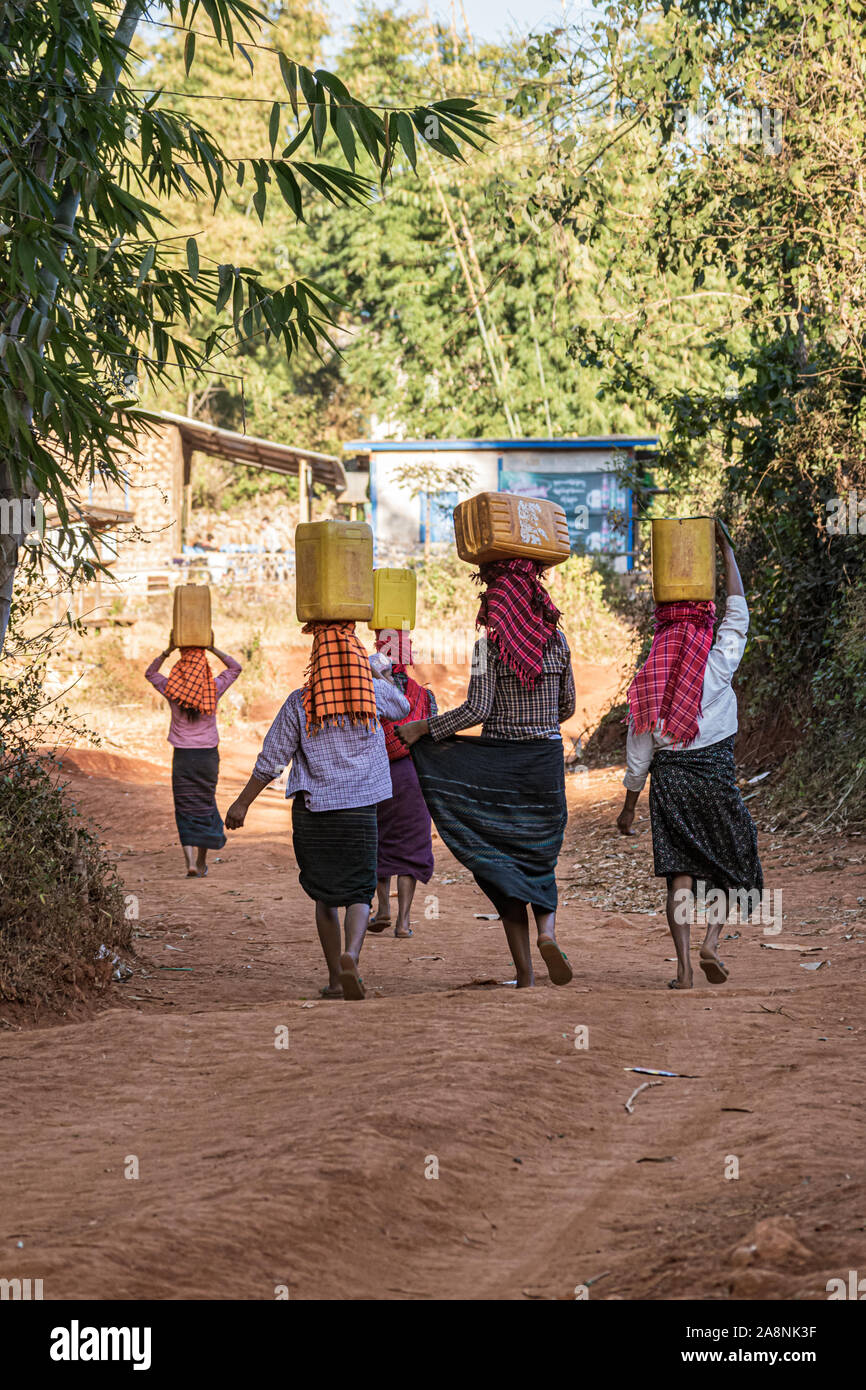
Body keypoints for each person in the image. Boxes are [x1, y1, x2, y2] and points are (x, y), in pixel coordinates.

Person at [399, 557, 576, 989]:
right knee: (540, 855)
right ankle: (548, 935)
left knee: (501, 862)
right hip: (544, 764)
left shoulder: (487, 650)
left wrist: (424, 729)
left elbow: (477, 710)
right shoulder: (558, 643)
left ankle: (524, 973)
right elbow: (567, 706)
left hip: (499, 764)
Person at [224, 620, 410, 1001]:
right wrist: (375, 671)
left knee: (326, 897)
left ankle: (334, 979)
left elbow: (272, 760)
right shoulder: (371, 694)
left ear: (316, 659)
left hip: (316, 813)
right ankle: (351, 955)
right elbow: (404, 706)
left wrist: (243, 802)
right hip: (360, 811)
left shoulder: (300, 702)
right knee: (360, 893)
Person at [616, 522, 762, 989]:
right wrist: (724, 549)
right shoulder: (716, 663)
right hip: (716, 776)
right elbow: (737, 614)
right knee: (726, 861)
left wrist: (627, 809)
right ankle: (712, 942)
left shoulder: (650, 678)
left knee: (679, 873)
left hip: (671, 784)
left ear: (661, 621)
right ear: (703, 620)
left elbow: (638, 753)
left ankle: (682, 970)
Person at [145, 641, 242, 877]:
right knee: (204, 805)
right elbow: (235, 668)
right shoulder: (213, 688)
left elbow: (150, 673)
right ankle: (200, 863)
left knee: (185, 807)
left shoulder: (171, 689)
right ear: (204, 667)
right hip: (207, 757)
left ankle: (189, 862)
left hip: (183, 757)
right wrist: (212, 648)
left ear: (180, 667)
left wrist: (167, 650)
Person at [368, 629, 438, 938]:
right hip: (413, 776)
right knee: (411, 846)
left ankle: (382, 908)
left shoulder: (369, 688)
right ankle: (404, 922)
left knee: (378, 842)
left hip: (375, 774)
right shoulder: (424, 696)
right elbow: (433, 735)